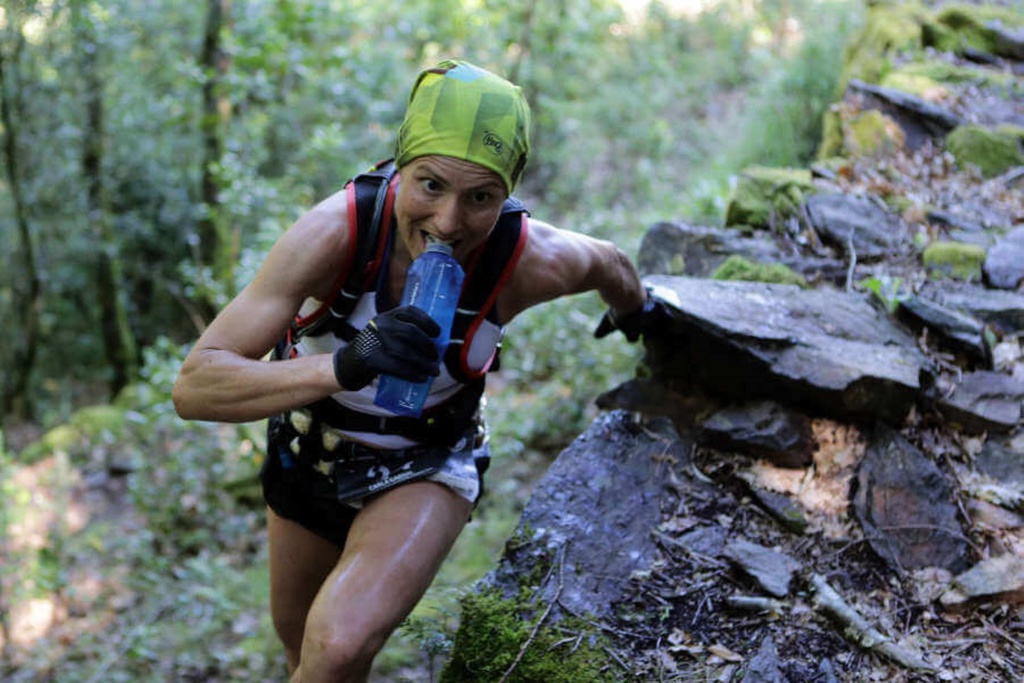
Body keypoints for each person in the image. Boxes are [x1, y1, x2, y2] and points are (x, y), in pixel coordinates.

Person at [172, 59, 667, 683]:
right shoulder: (337, 234)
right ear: (400, 166)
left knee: (340, 646)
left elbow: (610, 265)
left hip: (427, 459)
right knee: (302, 652)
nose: (449, 221)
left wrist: (642, 315)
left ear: (506, 194)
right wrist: (348, 363)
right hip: (308, 452)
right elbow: (195, 385)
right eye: (430, 184)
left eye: (480, 197)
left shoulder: (526, 259)